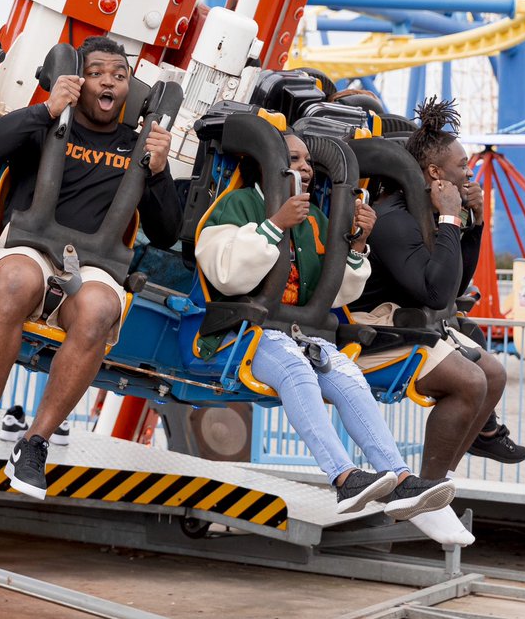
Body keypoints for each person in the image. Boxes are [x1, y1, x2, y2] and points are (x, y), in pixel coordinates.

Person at [195, 131, 468, 544]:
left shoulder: (316, 219)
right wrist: (274, 226)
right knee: (294, 366)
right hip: (242, 331)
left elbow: (334, 291)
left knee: (345, 373)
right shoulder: (236, 204)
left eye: (308, 161)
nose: (305, 168)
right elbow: (226, 274)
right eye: (294, 158)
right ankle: (343, 476)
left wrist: (357, 244)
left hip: (298, 330)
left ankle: (399, 477)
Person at [0, 35, 181, 499]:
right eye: (97, 73)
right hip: (30, 249)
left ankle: (35, 443)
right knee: (18, 281)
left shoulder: (137, 146)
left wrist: (158, 171)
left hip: (95, 268)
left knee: (98, 311)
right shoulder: (47, 121)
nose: (108, 82)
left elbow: (167, 231)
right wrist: (45, 110)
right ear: (79, 80)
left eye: (119, 75)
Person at [349, 98, 525, 482]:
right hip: (368, 324)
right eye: (463, 166)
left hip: (409, 317)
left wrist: (472, 225)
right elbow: (435, 293)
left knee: (494, 374)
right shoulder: (394, 219)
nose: (469, 173)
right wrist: (450, 217)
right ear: (434, 173)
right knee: (469, 381)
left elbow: (453, 287)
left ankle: (445, 474)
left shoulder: (427, 211)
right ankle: (429, 487)